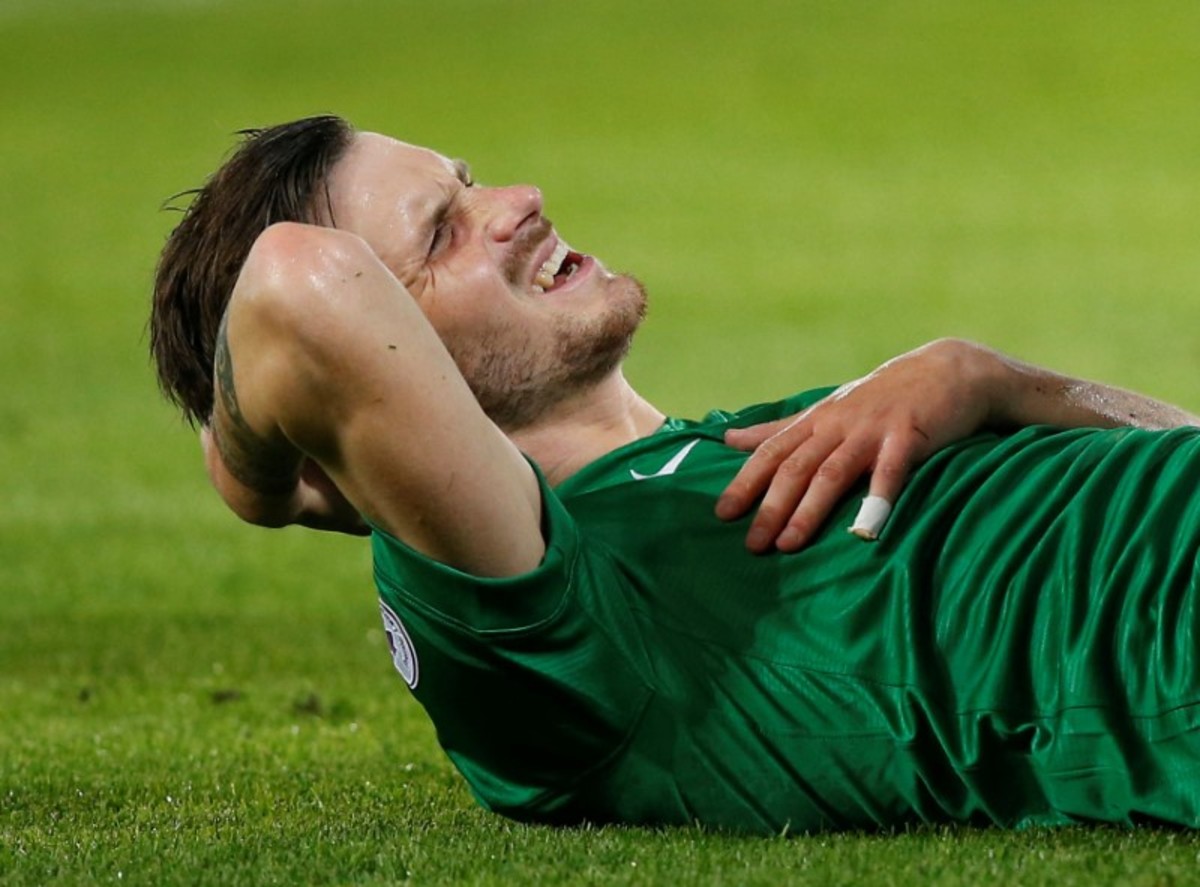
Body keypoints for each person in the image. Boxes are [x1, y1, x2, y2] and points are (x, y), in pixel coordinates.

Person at [151, 115, 1200, 835]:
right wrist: (262, 483)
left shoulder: (763, 435)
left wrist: (994, 379)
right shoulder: (550, 621)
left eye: (469, 183)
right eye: (443, 233)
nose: (519, 202)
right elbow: (298, 283)